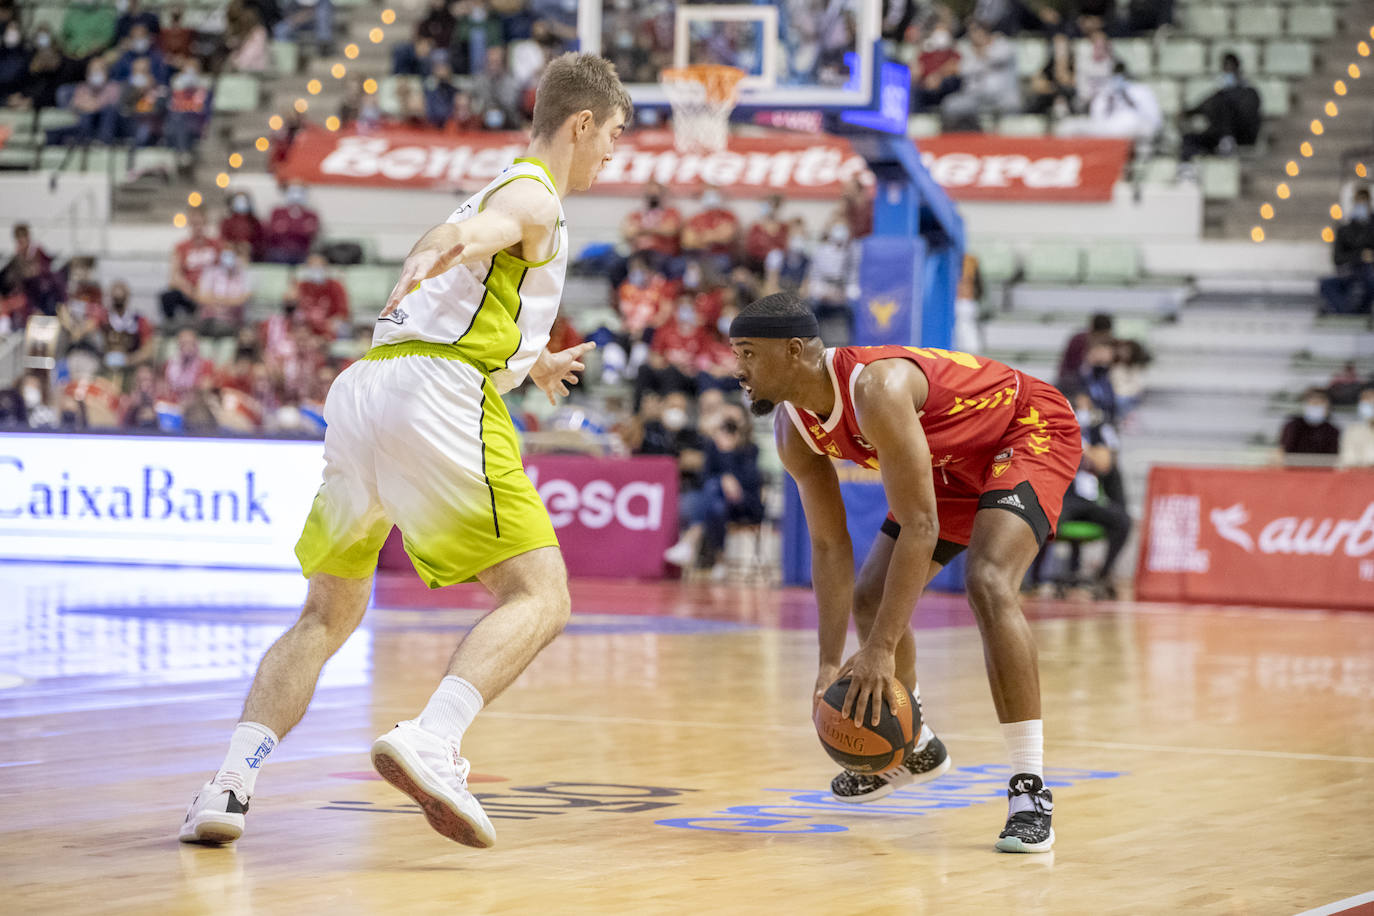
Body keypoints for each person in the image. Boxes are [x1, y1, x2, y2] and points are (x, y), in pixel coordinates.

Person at [179, 51, 631, 849]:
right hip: (436, 393)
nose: (613, 153)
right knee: (541, 593)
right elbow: (471, 235)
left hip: (367, 390)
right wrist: (438, 246)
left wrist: (533, 362)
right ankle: (434, 737)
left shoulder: (506, 188)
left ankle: (228, 784)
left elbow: (478, 279)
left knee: (325, 612)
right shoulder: (534, 192)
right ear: (581, 123)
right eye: (614, 135)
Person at [728, 292, 1081, 853]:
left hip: (1024, 428)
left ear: (793, 351)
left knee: (988, 582)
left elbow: (920, 525)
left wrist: (881, 650)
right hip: (948, 462)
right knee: (871, 599)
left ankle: (1029, 787)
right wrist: (827, 662)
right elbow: (827, 543)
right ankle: (915, 745)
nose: (737, 369)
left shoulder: (876, 388)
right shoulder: (793, 430)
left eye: (747, 353)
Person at [1179, 52, 1261, 164]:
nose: (1227, 72)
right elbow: (1203, 105)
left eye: (1229, 68)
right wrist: (1187, 113)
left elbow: (1248, 117)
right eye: (1224, 68)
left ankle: (1227, 141)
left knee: (1225, 102)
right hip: (1218, 136)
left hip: (1241, 136)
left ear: (1237, 69)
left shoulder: (1250, 93)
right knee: (1189, 139)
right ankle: (1187, 170)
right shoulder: (1221, 94)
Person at [1321, 187, 1374, 315]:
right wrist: (1359, 256)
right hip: (1350, 273)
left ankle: (1353, 310)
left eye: (1364, 201)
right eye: (1358, 201)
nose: (1361, 205)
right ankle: (1347, 311)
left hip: (1369, 274)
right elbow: (1337, 258)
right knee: (1327, 285)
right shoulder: (1344, 230)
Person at [1279, 388, 1340, 461]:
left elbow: (1333, 458)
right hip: (1293, 469)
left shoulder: (1333, 431)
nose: (1316, 405)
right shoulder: (1293, 426)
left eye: (1320, 403)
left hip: (1322, 470)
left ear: (1328, 406)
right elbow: (1282, 452)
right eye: (1313, 402)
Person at [1339, 385, 1374, 468]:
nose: (1370, 403)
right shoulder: (1352, 430)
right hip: (1358, 476)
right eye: (1366, 400)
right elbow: (1347, 459)